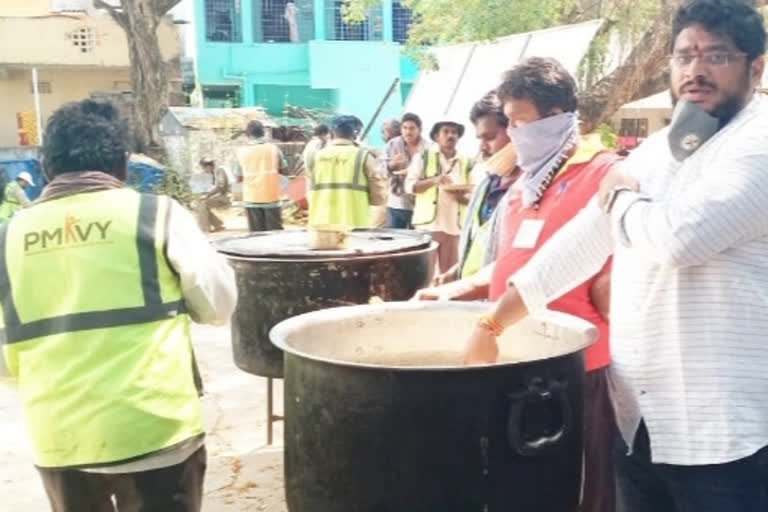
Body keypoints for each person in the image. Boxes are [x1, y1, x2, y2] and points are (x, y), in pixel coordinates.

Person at [464, 1, 768, 510]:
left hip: (723, 435)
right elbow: (577, 246)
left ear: (755, 67)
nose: (695, 69)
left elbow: (680, 238)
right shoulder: (658, 150)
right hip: (642, 421)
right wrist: (493, 325)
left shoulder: (758, 145)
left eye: (716, 56)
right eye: (684, 55)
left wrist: (620, 198)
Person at [0, 99, 237, 511]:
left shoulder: (8, 236)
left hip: (61, 436)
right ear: (123, 164)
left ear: (46, 168)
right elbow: (218, 306)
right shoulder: (157, 215)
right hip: (155, 427)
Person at [415, 58, 620, 512]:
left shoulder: (604, 174)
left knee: (585, 490)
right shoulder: (524, 183)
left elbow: (613, 277)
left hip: (580, 370)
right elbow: (514, 264)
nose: (511, 133)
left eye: (520, 121)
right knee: (525, 486)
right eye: (507, 120)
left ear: (558, 118)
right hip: (511, 361)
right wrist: (457, 288)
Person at [436, 92, 520, 284]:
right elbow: (477, 245)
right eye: (479, 139)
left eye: (489, 137)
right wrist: (455, 273)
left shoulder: (531, 191)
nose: (483, 147)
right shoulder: (488, 184)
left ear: (517, 130)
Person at [405, 120, 473, 273]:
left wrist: (463, 198)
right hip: (428, 225)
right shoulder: (423, 157)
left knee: (449, 273)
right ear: (436, 136)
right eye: (446, 131)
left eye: (454, 132)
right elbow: (410, 187)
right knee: (425, 273)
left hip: (453, 226)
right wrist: (434, 180)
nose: (451, 136)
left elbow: (473, 194)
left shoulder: (467, 162)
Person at [306, 114, 387, 228]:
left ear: (332, 133)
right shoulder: (362, 156)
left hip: (321, 220)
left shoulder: (317, 156)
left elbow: (309, 187)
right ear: (355, 134)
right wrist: (377, 201)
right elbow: (378, 190)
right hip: (354, 220)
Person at [235, 120, 289, 231]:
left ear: (248, 134)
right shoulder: (274, 149)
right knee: (275, 235)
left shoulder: (241, 151)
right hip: (271, 197)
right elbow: (285, 171)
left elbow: (238, 178)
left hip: (252, 198)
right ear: (263, 132)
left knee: (256, 237)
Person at [379, 112, 426, 229]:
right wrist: (391, 165)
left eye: (412, 128)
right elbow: (379, 170)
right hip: (396, 202)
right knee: (395, 240)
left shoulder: (428, 148)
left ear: (419, 129)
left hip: (419, 203)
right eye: (405, 128)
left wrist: (413, 172)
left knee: (418, 241)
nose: (408, 132)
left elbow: (434, 172)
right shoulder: (392, 145)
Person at [197, 157, 231, 232]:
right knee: (199, 203)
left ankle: (204, 229)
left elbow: (220, 186)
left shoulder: (220, 170)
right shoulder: (211, 173)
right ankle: (218, 224)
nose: (204, 170)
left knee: (203, 204)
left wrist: (207, 196)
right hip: (217, 197)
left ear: (209, 166)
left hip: (225, 197)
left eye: (204, 168)